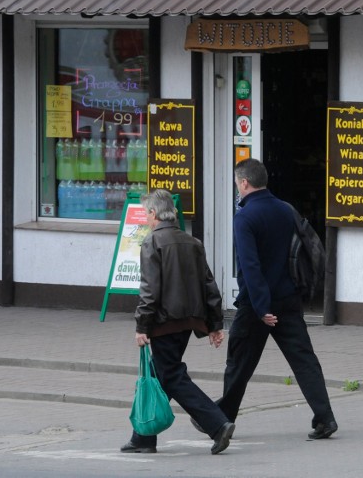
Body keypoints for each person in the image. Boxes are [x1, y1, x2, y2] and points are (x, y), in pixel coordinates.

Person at [194, 158, 337, 440]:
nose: (237, 188)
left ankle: (222, 420)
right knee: (304, 360)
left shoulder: (245, 217)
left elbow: (250, 265)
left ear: (244, 183)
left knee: (239, 362)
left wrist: (261, 308)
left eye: (237, 184)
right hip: (289, 299)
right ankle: (325, 418)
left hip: (257, 304)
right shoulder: (285, 210)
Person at [121, 189, 235, 455]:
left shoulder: (153, 243)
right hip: (187, 323)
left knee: (171, 377)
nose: (146, 220)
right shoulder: (191, 242)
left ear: (153, 213)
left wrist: (142, 326)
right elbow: (210, 285)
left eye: (146, 214)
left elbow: (150, 290)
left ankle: (217, 424)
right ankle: (143, 437)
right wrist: (214, 325)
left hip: (164, 322)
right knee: (160, 375)